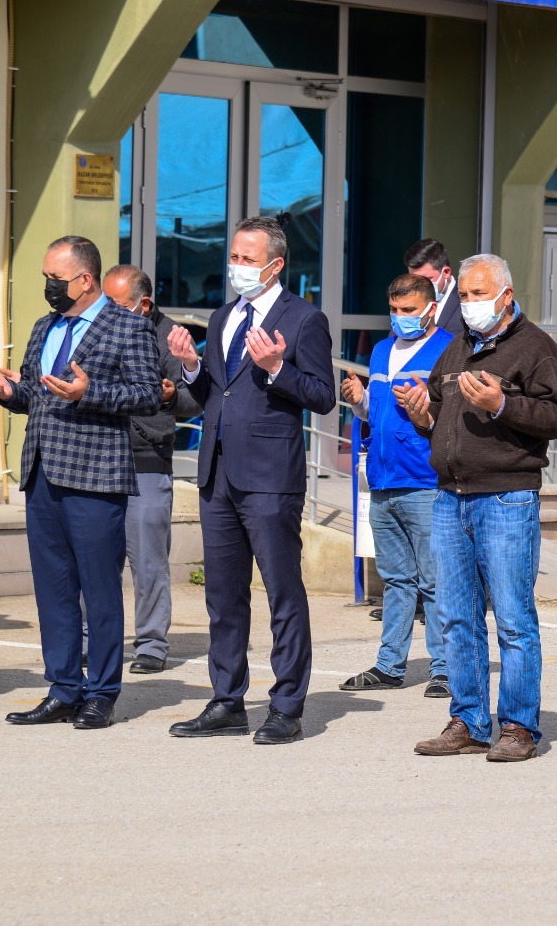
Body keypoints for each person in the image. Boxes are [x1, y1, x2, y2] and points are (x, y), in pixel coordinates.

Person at [165, 218, 336, 745]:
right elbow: (209, 397)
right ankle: (227, 700)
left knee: (282, 592)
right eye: (233, 255)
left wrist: (278, 367)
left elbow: (322, 395)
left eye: (246, 257)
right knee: (223, 596)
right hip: (217, 474)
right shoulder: (223, 317)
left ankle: (286, 706)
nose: (236, 265)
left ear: (275, 264)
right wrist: (191, 368)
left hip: (269, 477)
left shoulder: (304, 319)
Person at [0, 236, 161, 731]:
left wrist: (91, 391)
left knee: (99, 590)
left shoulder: (128, 326)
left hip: (94, 477)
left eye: (54, 280)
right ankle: (63, 688)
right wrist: (7, 391)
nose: (47, 287)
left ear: (84, 280)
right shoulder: (45, 327)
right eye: (45, 278)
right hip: (42, 474)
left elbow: (149, 395)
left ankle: (101, 692)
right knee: (54, 589)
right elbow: (37, 398)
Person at [401, 254, 557, 763]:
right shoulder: (457, 347)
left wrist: (502, 404)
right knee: (456, 617)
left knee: (513, 618)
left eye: (479, 295)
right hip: (450, 496)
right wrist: (421, 414)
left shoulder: (536, 348)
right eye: (466, 296)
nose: (470, 305)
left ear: (506, 296)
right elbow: (437, 412)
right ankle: (469, 720)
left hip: (505, 497)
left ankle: (518, 726)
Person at [339, 273, 453, 697]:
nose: (401, 318)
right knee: (395, 580)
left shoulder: (448, 349)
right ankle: (390, 665)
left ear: (431, 309)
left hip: (425, 481)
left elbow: (452, 418)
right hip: (383, 480)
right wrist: (359, 400)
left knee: (434, 582)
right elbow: (378, 414)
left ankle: (444, 668)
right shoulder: (383, 351)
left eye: (409, 310)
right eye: (395, 310)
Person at [99, 265, 202, 674]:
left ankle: (151, 645)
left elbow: (196, 397)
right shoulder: (94, 328)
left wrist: (172, 394)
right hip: (97, 460)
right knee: (95, 560)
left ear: (143, 304)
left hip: (146, 461)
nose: (106, 311)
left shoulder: (171, 336)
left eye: (116, 304)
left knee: (148, 562)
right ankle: (93, 641)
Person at [405, 237, 465, 338]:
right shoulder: (406, 303)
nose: (419, 286)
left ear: (446, 272)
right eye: (414, 280)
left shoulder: (467, 300)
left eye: (426, 279)